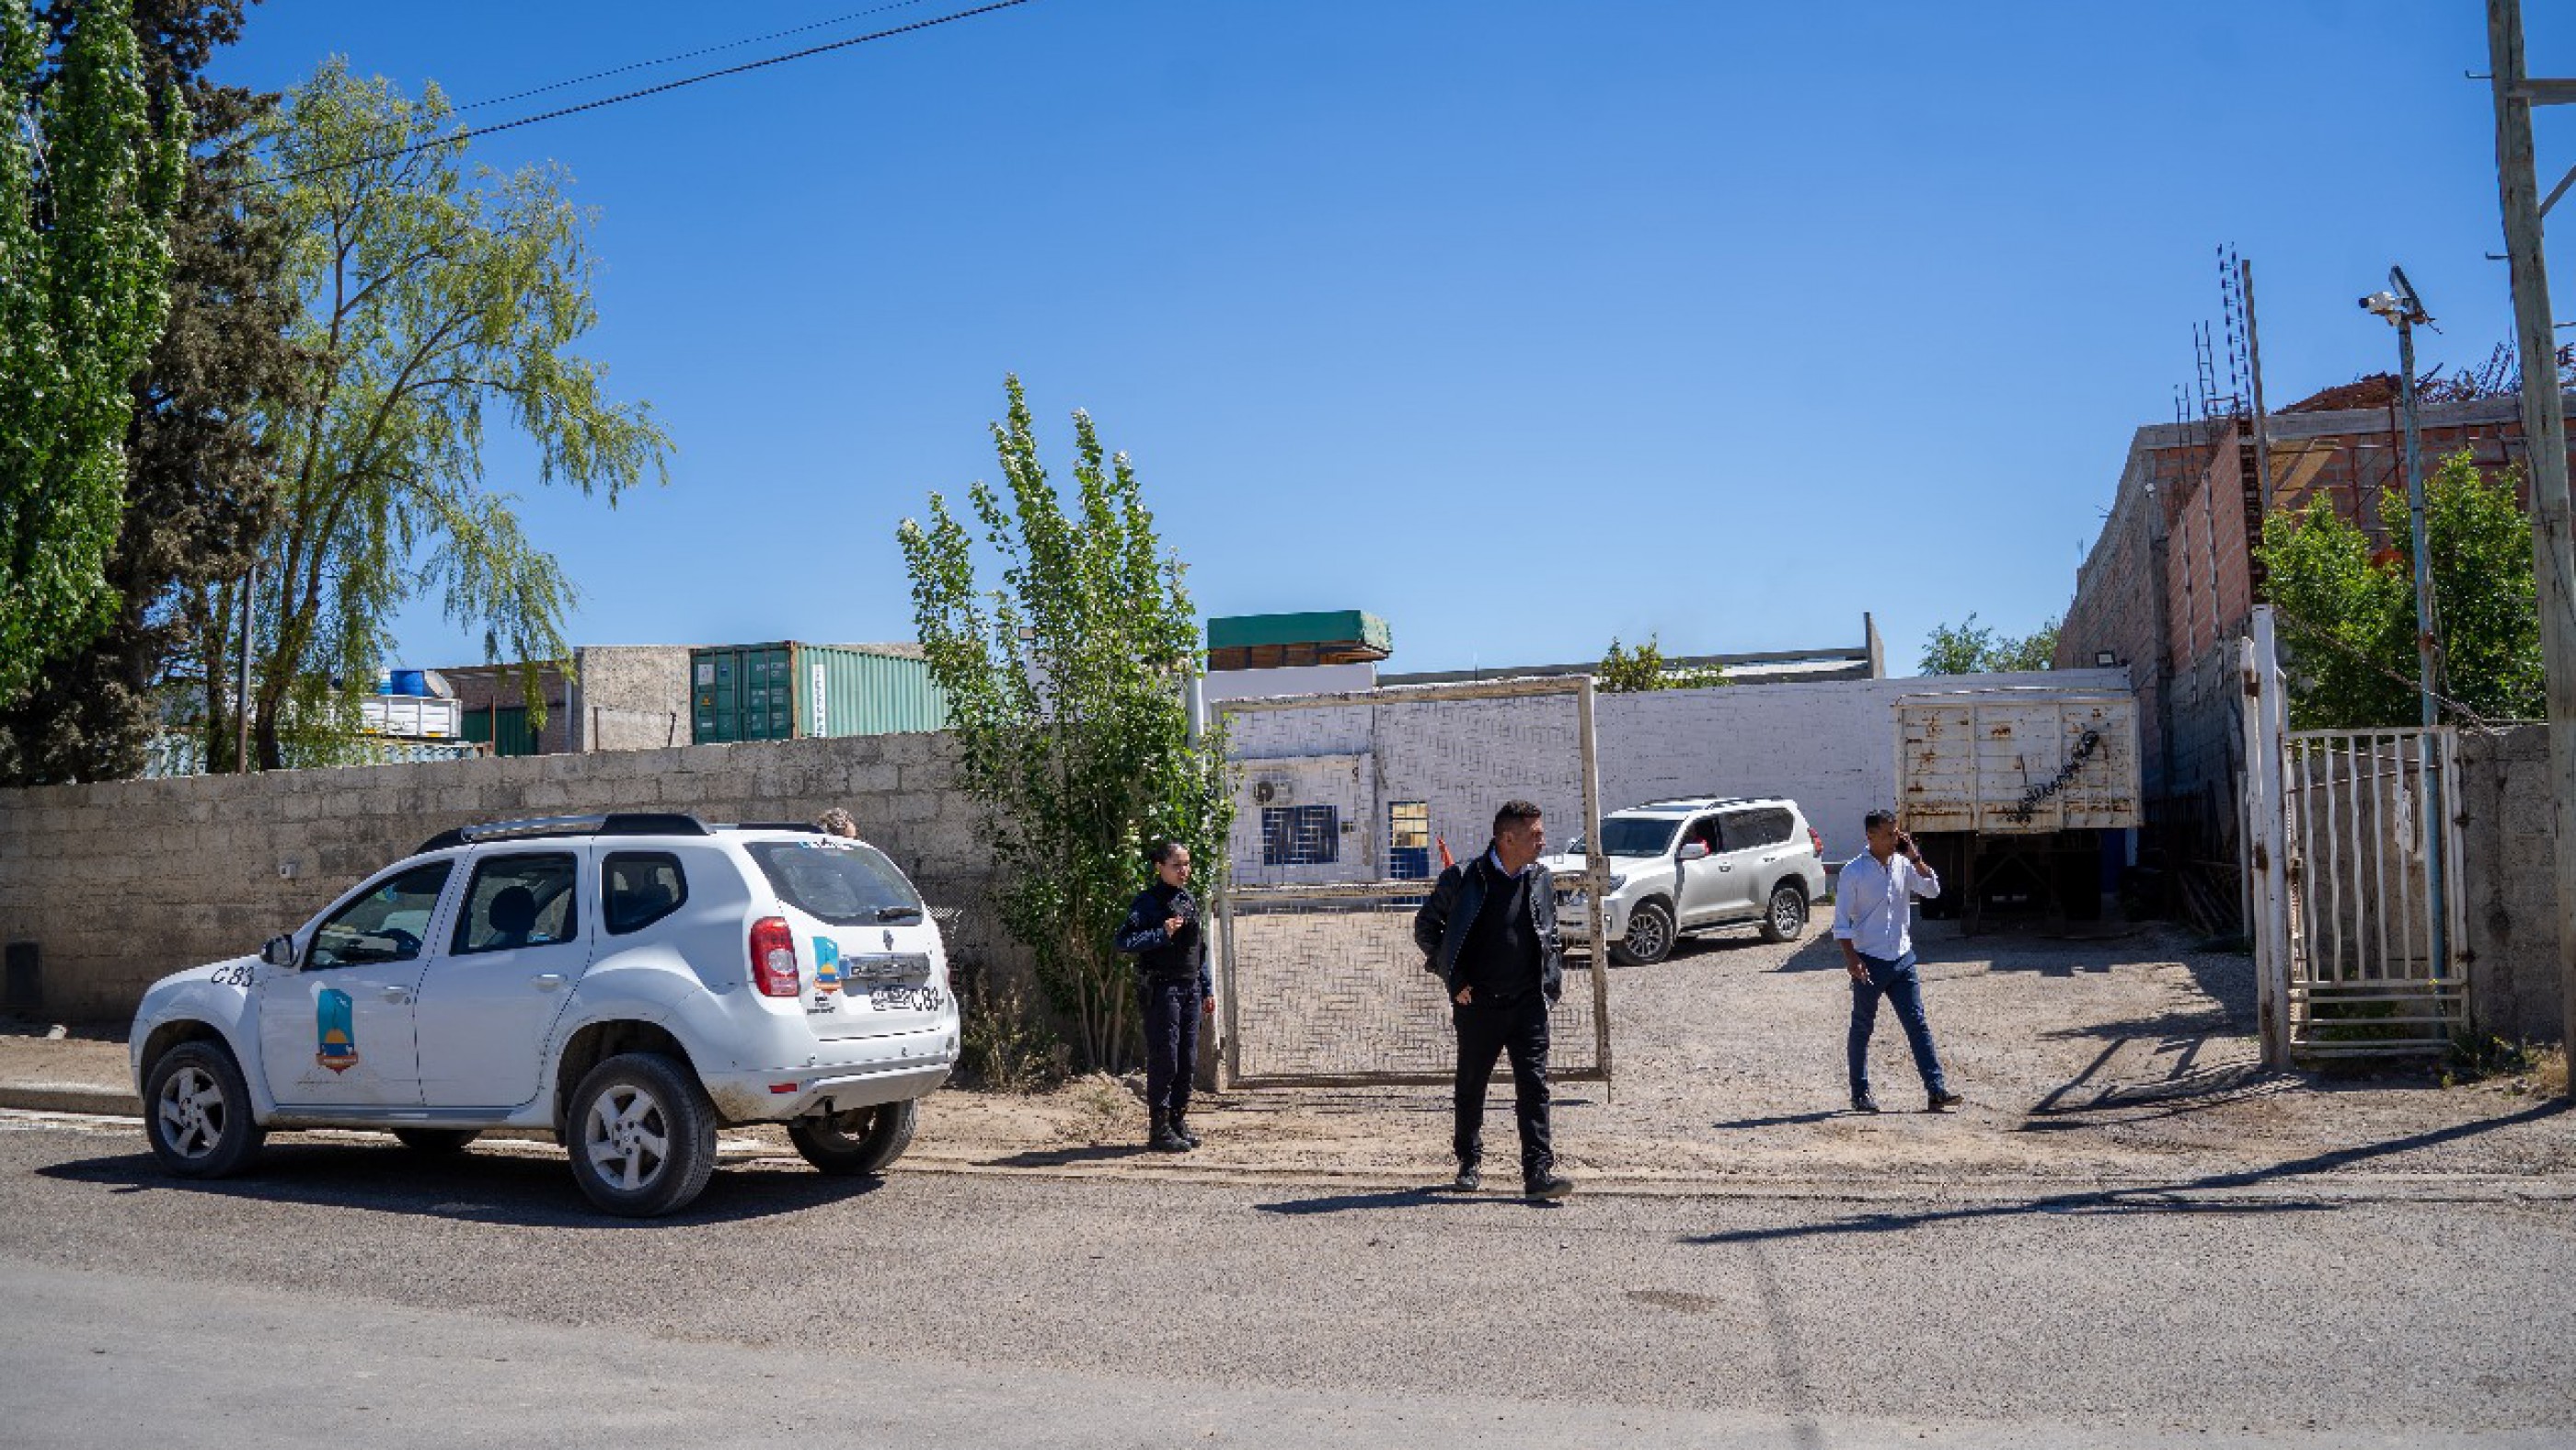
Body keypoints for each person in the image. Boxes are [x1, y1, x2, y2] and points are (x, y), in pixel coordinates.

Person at [1412, 800, 1571, 1200]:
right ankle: (1469, 1162)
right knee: (1472, 1084)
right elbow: (1426, 928)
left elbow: (1549, 935)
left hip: (1528, 1003)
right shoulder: (1464, 877)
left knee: (1534, 1087)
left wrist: (1550, 984)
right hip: (1478, 1005)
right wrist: (1454, 978)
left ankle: (1537, 1173)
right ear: (1507, 838)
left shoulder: (1540, 878)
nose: (1542, 841)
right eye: (1535, 835)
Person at [1834, 810, 1964, 1114]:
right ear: (1870, 837)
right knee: (1863, 1026)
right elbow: (1841, 923)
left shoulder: (1904, 865)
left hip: (1903, 959)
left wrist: (1916, 858)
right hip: (1869, 960)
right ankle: (1860, 1092)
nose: (1897, 838)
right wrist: (1852, 959)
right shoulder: (1854, 872)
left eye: (1897, 832)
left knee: (1917, 1024)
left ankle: (1936, 1091)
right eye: (1889, 834)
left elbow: (1932, 890)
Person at [1115, 840, 1216, 1153]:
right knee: (1166, 1058)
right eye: (1177, 865)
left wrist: (1207, 988)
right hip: (1163, 989)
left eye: (1187, 864)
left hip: (1190, 989)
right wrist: (1161, 933)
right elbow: (1124, 941)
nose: (1184, 870)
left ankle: (1177, 1120)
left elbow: (1198, 951)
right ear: (1160, 866)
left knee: (1187, 1059)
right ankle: (1158, 1128)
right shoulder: (1148, 903)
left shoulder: (1187, 899)